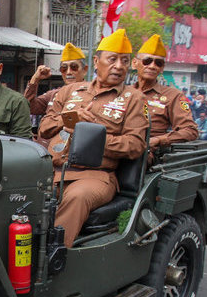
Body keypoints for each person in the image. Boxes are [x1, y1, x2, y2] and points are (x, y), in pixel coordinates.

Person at [38, 28, 148, 248]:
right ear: (96, 62)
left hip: (95, 177)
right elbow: (44, 128)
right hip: (52, 171)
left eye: (125, 61)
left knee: (76, 198)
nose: (119, 66)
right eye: (113, 59)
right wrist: (68, 120)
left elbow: (136, 145)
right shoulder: (70, 91)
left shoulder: (134, 98)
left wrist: (91, 140)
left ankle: (51, 259)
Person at [132, 33, 198, 155]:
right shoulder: (123, 92)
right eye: (147, 61)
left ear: (162, 68)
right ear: (135, 63)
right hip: (118, 146)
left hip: (145, 153)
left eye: (158, 63)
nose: (152, 66)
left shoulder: (173, 96)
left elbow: (190, 130)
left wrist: (158, 140)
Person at [23, 43, 89, 116]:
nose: (68, 72)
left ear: (85, 70)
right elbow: (28, 107)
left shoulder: (92, 93)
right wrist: (35, 79)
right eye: (64, 68)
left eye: (74, 67)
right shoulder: (52, 95)